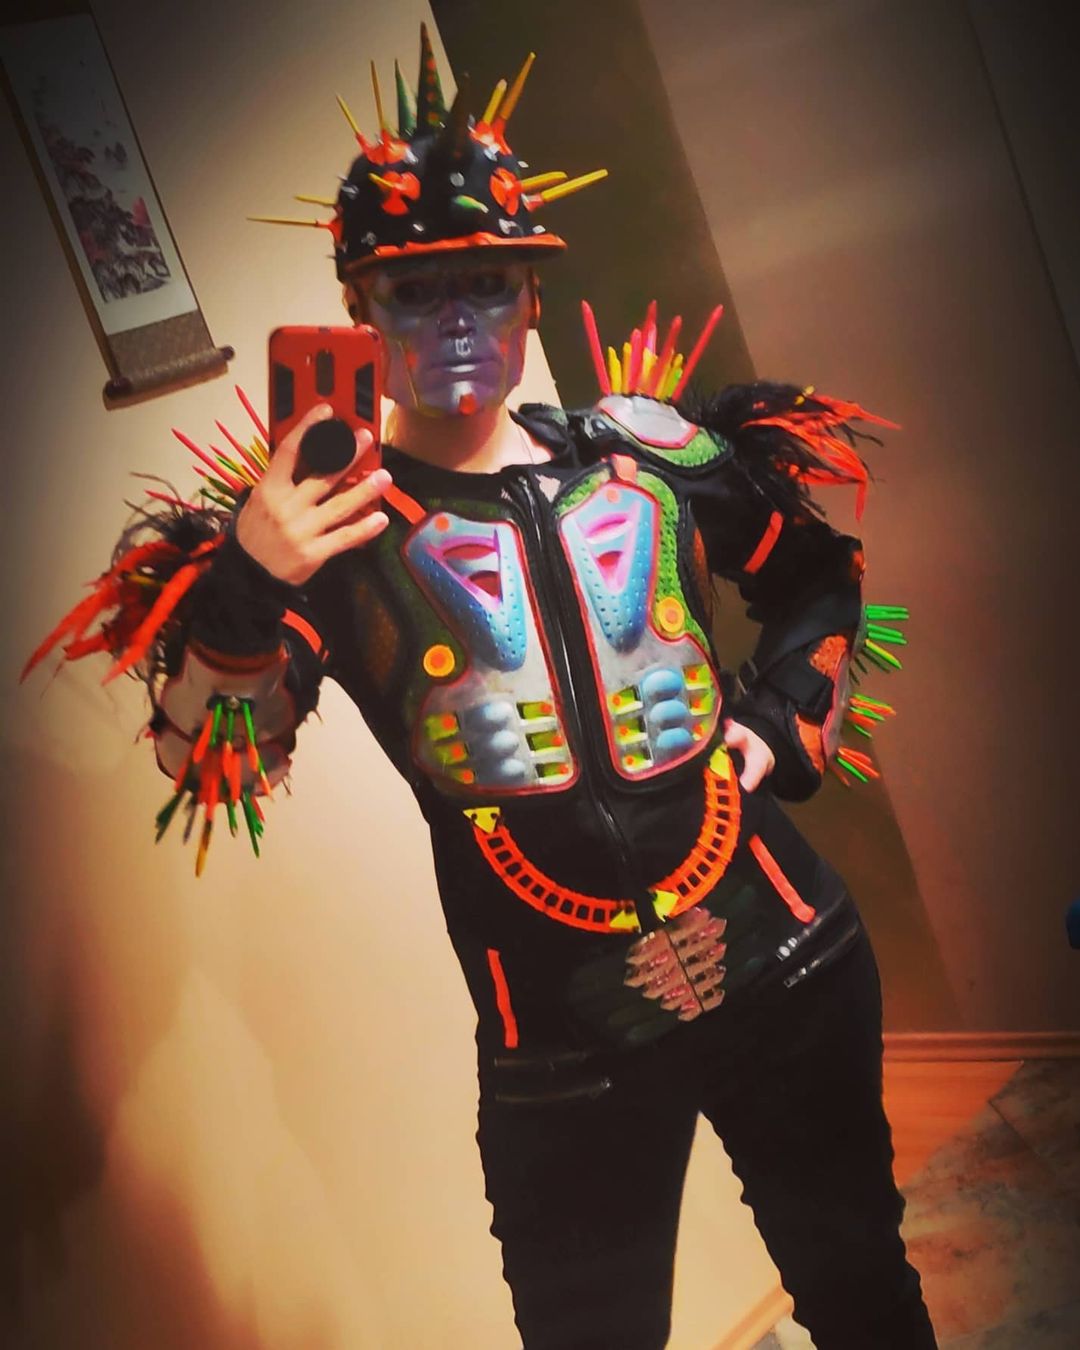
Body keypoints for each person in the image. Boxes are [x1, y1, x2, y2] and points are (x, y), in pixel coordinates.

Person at [26, 27, 936, 1350]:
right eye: (415, 291)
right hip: (561, 1040)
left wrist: (775, 714)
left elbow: (818, 577)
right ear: (359, 306)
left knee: (863, 1292)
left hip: (790, 958)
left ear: (531, 298)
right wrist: (243, 585)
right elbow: (211, 762)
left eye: (488, 284)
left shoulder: (651, 454)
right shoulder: (329, 533)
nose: (457, 320)